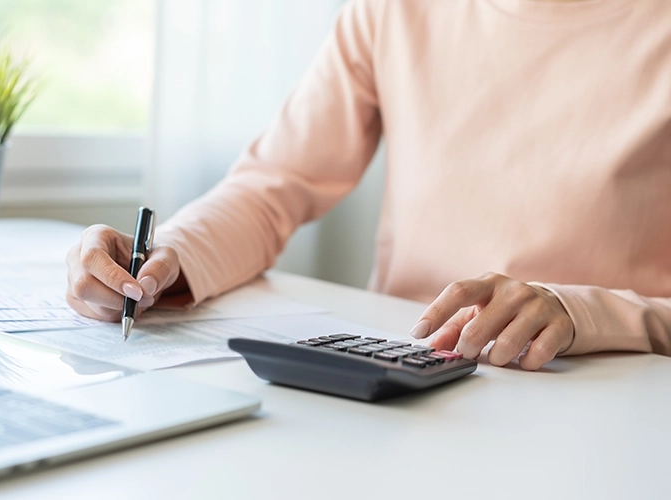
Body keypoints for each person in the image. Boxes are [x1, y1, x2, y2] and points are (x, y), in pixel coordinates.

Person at [66, 0, 671, 371]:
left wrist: (580, 313)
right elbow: (273, 184)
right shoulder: (391, 10)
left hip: (607, 394)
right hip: (404, 374)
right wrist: (168, 257)